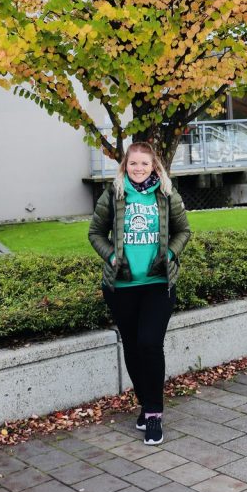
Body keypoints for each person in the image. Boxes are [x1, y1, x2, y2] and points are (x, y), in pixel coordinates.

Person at [89, 141, 191, 446]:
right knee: (132, 347)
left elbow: (183, 231)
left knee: (149, 343)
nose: (138, 169)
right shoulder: (114, 194)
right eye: (133, 164)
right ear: (125, 166)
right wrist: (110, 258)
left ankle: (155, 415)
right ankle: (146, 406)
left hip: (158, 284)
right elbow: (95, 232)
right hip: (121, 287)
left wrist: (170, 255)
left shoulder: (167, 194)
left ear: (153, 166)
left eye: (144, 164)